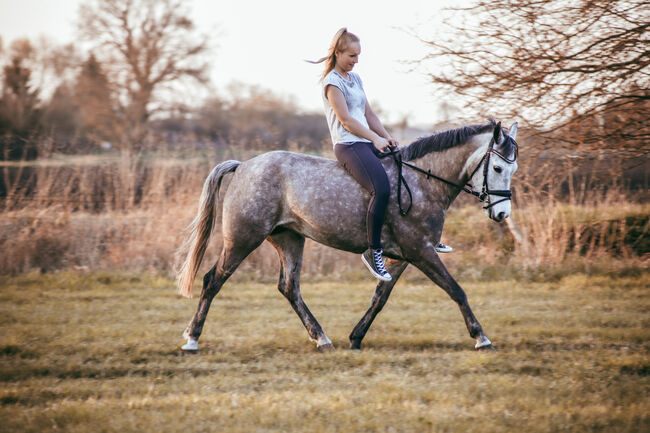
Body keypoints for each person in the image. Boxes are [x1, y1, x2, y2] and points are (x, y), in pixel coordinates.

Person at [311, 28, 452, 282]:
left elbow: (370, 115)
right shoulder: (332, 82)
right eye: (352, 56)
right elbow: (346, 121)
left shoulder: (355, 80)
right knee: (382, 189)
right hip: (348, 146)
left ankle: (427, 236)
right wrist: (374, 139)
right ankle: (373, 251)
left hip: (366, 143)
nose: (356, 61)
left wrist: (385, 136)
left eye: (358, 56)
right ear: (338, 53)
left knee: (405, 174)